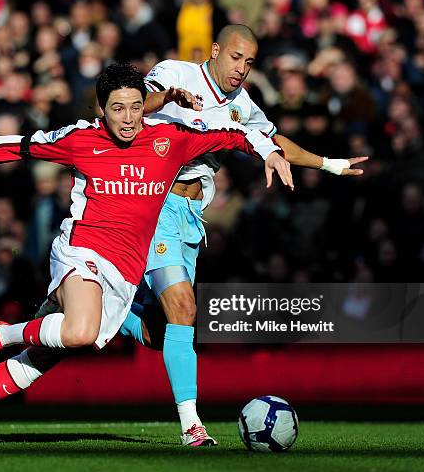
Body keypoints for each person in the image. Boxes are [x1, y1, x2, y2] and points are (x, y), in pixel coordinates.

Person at [0, 62, 293, 444]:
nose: (128, 119)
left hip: (125, 274)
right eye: (117, 108)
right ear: (101, 108)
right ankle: (1, 334)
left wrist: (270, 152)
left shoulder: (171, 139)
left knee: (42, 359)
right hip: (81, 253)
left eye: (135, 107)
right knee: (80, 332)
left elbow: (235, 134)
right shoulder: (81, 139)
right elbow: (18, 145)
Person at [112, 24, 367, 445]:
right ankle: (192, 426)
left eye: (248, 63)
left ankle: (118, 313)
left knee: (164, 330)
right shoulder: (175, 73)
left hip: (192, 214)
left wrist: (330, 165)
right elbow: (139, 103)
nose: (241, 69)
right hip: (153, 203)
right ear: (215, 50)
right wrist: (169, 97)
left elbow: (274, 140)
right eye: (235, 58)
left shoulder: (242, 105)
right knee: (183, 307)